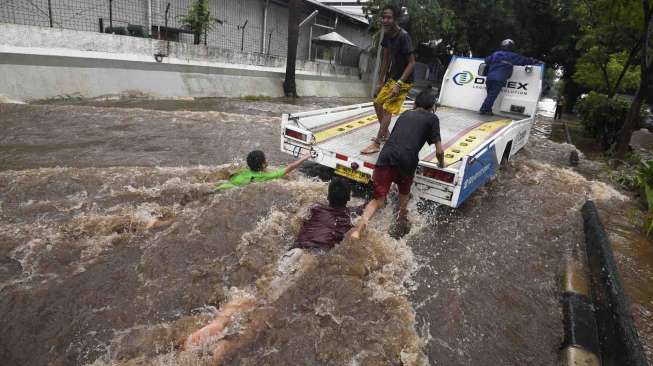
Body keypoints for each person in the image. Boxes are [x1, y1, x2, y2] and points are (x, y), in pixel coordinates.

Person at [185, 178, 359, 363]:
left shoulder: (316, 208)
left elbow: (298, 220)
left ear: (328, 195)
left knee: (257, 292)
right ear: (347, 198)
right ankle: (225, 348)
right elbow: (365, 212)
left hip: (293, 253)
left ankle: (219, 322)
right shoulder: (348, 218)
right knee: (268, 309)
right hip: (310, 259)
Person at [350, 89, 445, 240]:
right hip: (407, 161)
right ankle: (401, 223)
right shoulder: (433, 118)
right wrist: (441, 163)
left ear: (415, 103)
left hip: (386, 156)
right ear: (432, 106)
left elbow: (394, 136)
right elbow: (439, 150)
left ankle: (357, 231)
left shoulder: (406, 114)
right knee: (403, 198)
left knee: (377, 200)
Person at [360, 4, 416, 154]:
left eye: (389, 17)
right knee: (377, 103)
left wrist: (399, 84)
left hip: (404, 80)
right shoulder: (387, 34)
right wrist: (380, 81)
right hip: (393, 77)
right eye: (383, 17)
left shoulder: (403, 36)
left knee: (387, 109)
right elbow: (385, 59)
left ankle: (377, 143)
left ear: (395, 19)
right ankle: (386, 135)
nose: (385, 20)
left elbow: (412, 63)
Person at [479, 39, 541, 115]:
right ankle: (483, 109)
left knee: (490, 95)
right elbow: (525, 60)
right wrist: (536, 61)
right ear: (512, 47)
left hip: (489, 78)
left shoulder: (496, 54)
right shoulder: (513, 56)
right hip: (499, 79)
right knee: (492, 95)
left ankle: (488, 110)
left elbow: (487, 60)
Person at [214, 150, 310, 191]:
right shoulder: (265, 176)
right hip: (230, 189)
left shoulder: (244, 170)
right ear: (263, 164)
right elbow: (290, 167)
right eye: (265, 160)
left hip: (225, 186)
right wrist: (305, 157)